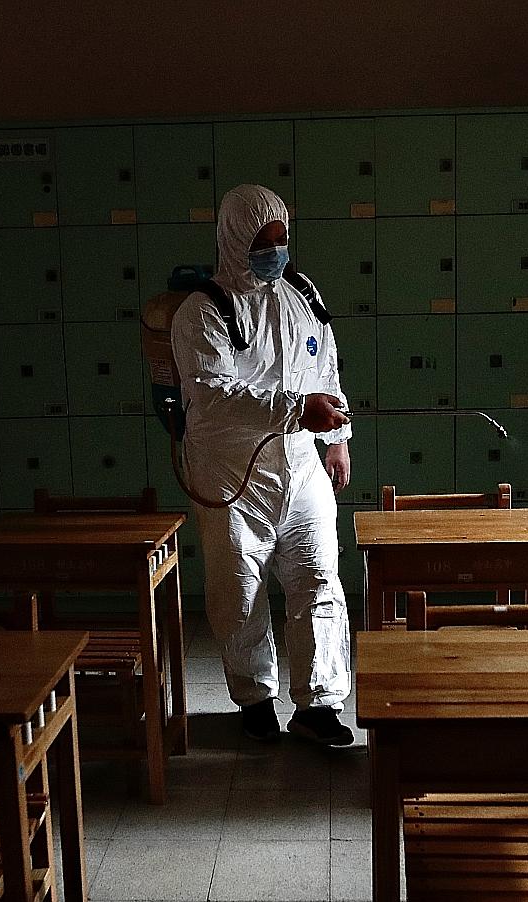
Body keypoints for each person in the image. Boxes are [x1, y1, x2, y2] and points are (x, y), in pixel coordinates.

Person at [170, 183, 355, 746]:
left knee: (319, 579)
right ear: (234, 239)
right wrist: (298, 409)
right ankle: (253, 698)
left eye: (281, 239)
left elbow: (325, 366)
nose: (275, 250)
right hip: (231, 474)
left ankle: (319, 704)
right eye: (263, 240)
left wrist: (338, 439)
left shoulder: (299, 293)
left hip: (299, 464)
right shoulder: (202, 311)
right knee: (239, 588)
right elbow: (210, 399)